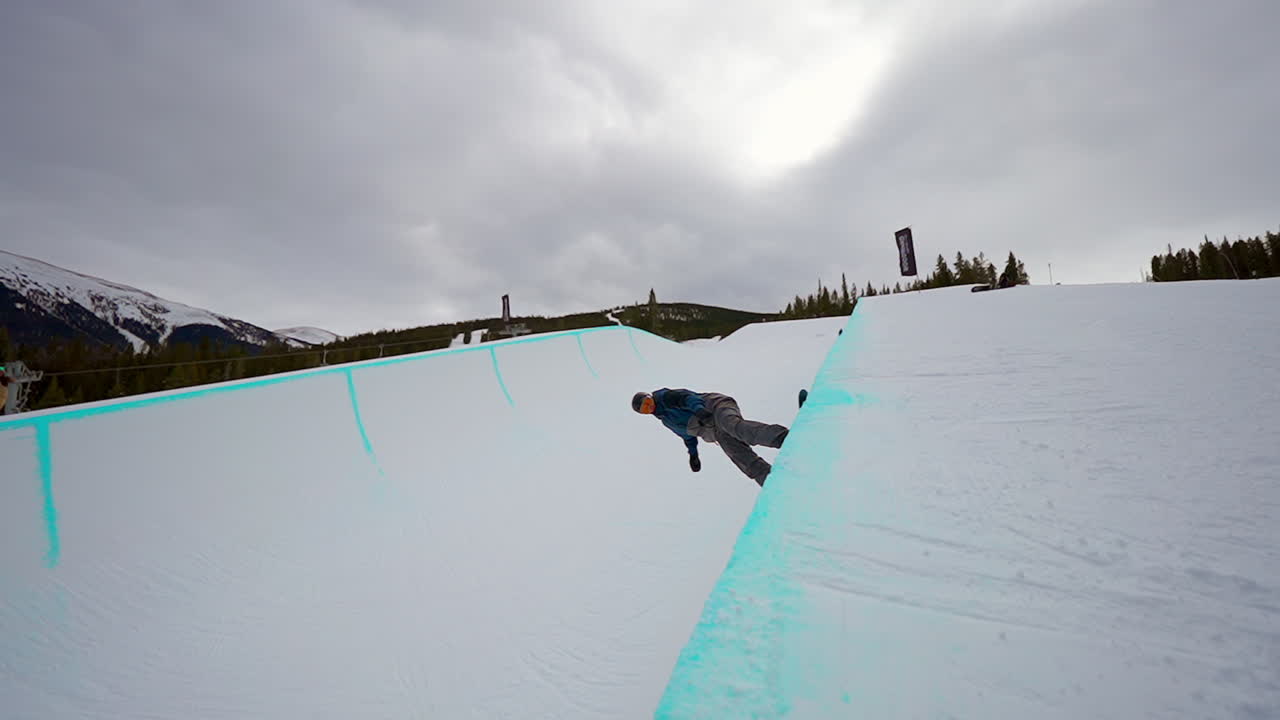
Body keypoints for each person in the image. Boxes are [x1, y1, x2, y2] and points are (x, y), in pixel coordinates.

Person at [631, 388, 789, 486]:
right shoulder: (667, 421)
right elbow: (688, 438)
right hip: (715, 431)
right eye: (644, 409)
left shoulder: (665, 397)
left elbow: (686, 398)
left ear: (650, 396)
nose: (648, 407)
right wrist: (693, 455)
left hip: (715, 407)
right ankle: (773, 483)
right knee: (738, 455)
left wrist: (699, 410)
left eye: (647, 402)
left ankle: (783, 437)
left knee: (734, 426)